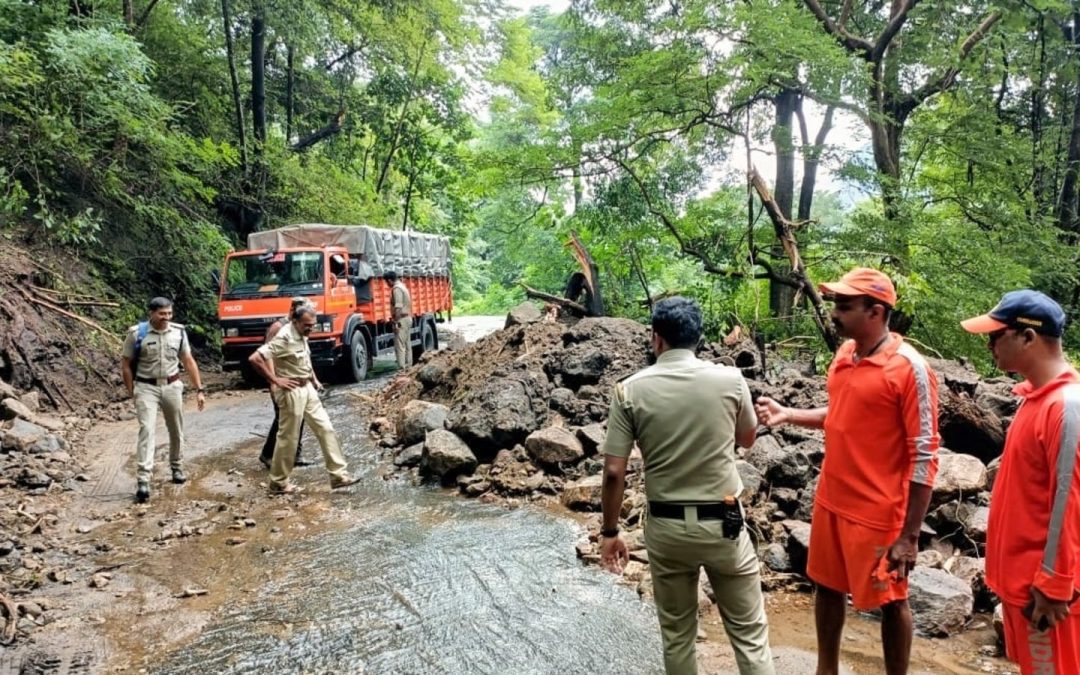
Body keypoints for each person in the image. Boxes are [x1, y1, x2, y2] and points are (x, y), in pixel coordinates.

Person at [754, 267, 939, 675]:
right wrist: (788, 414)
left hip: (878, 511)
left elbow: (926, 454)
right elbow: (841, 415)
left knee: (892, 599)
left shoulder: (910, 369)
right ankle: (826, 669)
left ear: (875, 311)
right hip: (831, 501)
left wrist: (909, 536)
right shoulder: (844, 356)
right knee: (827, 586)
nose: (834, 312)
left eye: (844, 305)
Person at [600, 296, 775, 675]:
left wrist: (610, 532)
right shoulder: (730, 379)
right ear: (697, 337)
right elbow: (747, 439)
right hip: (724, 524)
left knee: (678, 636)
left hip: (666, 527)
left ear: (656, 338)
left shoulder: (628, 390)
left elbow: (614, 471)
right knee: (750, 636)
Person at [961, 290, 1079, 674]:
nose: (989, 344)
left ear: (1028, 337)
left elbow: (1071, 503)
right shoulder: (1034, 399)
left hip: (1045, 594)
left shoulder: (1066, 407)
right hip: (1023, 585)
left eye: (997, 335)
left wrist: (1055, 584)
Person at [248, 305, 359, 494]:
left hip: (307, 389)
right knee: (288, 438)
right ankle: (278, 483)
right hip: (291, 391)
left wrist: (314, 380)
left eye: (313, 325)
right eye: (307, 325)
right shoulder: (284, 337)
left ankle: (338, 476)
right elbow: (255, 358)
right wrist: (275, 380)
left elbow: (305, 361)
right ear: (295, 321)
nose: (311, 329)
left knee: (326, 428)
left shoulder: (302, 334)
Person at [120, 297, 206, 503]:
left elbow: (188, 361)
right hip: (145, 386)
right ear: (151, 313)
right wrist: (132, 391)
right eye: (162, 314)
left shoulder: (179, 332)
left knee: (176, 428)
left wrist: (199, 389)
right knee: (147, 430)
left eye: (169, 313)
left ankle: (177, 467)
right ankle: (143, 479)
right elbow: (125, 364)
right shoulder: (136, 334)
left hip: (171, 385)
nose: (166, 318)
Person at [258, 297, 311, 470]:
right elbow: (267, 355)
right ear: (293, 311)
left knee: (299, 416)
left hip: (295, 381)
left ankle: (295, 453)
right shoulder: (278, 328)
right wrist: (273, 381)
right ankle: (267, 454)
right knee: (282, 418)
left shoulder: (299, 329)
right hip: (281, 381)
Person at [386, 270, 412, 369]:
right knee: (407, 344)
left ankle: (402, 369)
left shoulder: (396, 289)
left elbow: (398, 306)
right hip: (407, 318)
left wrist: (396, 322)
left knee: (400, 346)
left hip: (402, 319)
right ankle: (409, 367)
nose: (387, 284)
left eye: (387, 282)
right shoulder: (403, 286)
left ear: (389, 280)